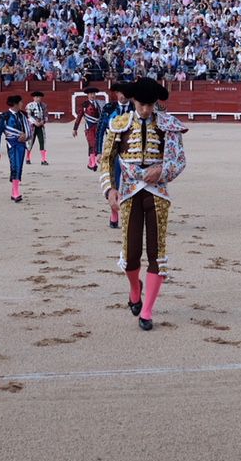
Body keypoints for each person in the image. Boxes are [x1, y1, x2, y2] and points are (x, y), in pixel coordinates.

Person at [99, 78, 188, 331]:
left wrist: (161, 170)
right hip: (128, 192)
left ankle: (147, 311)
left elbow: (179, 160)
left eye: (150, 105)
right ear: (134, 101)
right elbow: (106, 160)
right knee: (130, 254)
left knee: (157, 253)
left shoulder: (168, 125)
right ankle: (134, 288)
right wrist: (109, 189)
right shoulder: (119, 124)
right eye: (142, 104)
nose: (146, 110)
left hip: (157, 193)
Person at [97, 81, 134, 228]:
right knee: (113, 183)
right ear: (116, 93)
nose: (123, 96)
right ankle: (114, 212)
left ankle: (129, 213)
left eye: (125, 93)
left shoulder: (134, 108)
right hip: (112, 150)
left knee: (130, 183)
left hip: (131, 151)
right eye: (120, 92)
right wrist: (98, 152)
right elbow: (100, 130)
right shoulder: (108, 108)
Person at [0, 94, 34, 202]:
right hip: (11, 144)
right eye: (21, 102)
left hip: (21, 144)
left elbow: (30, 129)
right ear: (15, 104)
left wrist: (26, 136)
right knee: (15, 165)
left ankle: (14, 191)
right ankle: (16, 192)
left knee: (19, 166)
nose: (22, 104)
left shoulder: (23, 115)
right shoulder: (5, 116)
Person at [72, 86, 103, 170]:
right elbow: (79, 117)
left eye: (94, 94)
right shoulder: (85, 104)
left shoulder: (99, 104)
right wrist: (75, 129)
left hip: (98, 127)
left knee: (96, 145)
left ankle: (90, 163)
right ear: (88, 95)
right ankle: (93, 164)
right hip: (89, 128)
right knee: (92, 144)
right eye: (90, 94)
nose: (92, 95)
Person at [24, 90, 49, 165]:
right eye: (37, 97)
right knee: (30, 142)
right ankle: (28, 158)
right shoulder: (29, 105)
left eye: (39, 97)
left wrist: (43, 121)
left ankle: (43, 160)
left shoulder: (44, 105)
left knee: (42, 142)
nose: (38, 98)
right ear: (33, 98)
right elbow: (28, 116)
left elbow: (46, 115)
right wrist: (35, 122)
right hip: (32, 126)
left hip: (40, 126)